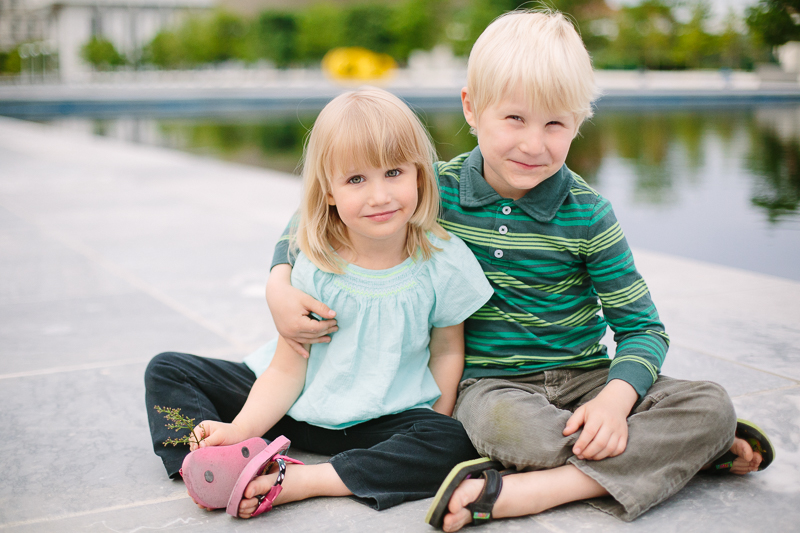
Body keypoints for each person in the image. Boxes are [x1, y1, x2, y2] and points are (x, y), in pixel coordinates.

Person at [265, 10, 774, 532]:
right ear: (471, 108)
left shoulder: (588, 213)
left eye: (555, 124)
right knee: (506, 430)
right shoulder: (433, 191)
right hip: (493, 388)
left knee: (711, 405)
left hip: (587, 378)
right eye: (514, 119)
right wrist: (279, 282)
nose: (534, 145)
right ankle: (676, 455)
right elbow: (317, 213)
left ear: (579, 122)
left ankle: (536, 489)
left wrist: (616, 402)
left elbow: (643, 329)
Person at [144, 87, 494, 519]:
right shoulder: (317, 262)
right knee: (168, 369)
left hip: (381, 421)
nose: (380, 195)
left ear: (419, 175)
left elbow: (447, 350)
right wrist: (239, 428)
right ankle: (212, 462)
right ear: (328, 192)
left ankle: (308, 479)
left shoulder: (443, 261)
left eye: (394, 172)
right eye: (356, 179)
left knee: (451, 440)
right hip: (294, 408)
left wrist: (434, 419)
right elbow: (287, 369)